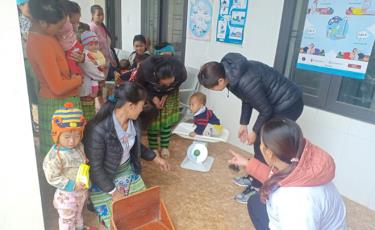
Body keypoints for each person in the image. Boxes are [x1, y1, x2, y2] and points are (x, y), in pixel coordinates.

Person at [198, 53, 303, 203]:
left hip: (289, 103)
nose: (213, 90)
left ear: (220, 80)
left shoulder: (243, 80)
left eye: (212, 88)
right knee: (260, 141)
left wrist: (254, 131)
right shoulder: (230, 74)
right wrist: (244, 124)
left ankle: (257, 187)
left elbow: (265, 109)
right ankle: (255, 175)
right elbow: (247, 99)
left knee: (264, 143)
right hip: (275, 104)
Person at [228, 118, 346, 230]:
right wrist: (247, 163)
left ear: (268, 154)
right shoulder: (301, 163)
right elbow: (276, 178)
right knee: (256, 202)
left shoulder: (293, 203)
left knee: (256, 204)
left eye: (261, 143)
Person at [83, 82, 170, 229]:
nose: (142, 109)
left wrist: (155, 158)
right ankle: (97, 205)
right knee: (119, 220)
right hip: (105, 177)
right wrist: (113, 192)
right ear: (131, 106)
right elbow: (95, 168)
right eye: (141, 105)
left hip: (126, 170)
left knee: (141, 212)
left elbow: (135, 145)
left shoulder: (133, 122)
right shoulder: (97, 129)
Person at [27, 0, 83, 155]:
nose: (61, 30)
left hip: (62, 102)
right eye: (58, 26)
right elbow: (57, 87)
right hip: (57, 104)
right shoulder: (41, 43)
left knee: (68, 154)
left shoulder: (45, 35)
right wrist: (78, 80)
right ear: (44, 23)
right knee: (61, 158)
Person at [43, 102, 95, 230]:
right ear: (56, 134)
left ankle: (79, 227)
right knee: (67, 220)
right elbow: (52, 176)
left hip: (81, 192)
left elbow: (82, 158)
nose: (72, 141)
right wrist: (72, 184)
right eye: (67, 137)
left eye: (77, 136)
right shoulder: (55, 155)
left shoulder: (79, 146)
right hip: (66, 196)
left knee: (78, 213)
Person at [135, 55, 187, 158]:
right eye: (165, 83)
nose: (167, 85)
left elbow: (177, 83)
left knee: (166, 122)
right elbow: (139, 85)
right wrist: (152, 97)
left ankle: (165, 147)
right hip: (149, 92)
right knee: (153, 121)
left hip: (170, 94)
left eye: (170, 82)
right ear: (157, 78)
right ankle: (153, 147)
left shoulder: (180, 71)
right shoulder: (145, 69)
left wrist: (167, 93)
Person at [17, 0, 39, 133]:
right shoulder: (23, 20)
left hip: (32, 60)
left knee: (34, 93)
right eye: (27, 5)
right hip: (27, 61)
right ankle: (32, 124)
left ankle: (34, 123)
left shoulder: (32, 19)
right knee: (30, 94)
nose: (31, 7)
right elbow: (29, 37)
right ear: (20, 6)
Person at [79, 31, 107, 121]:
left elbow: (101, 64)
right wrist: (102, 73)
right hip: (85, 88)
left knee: (90, 112)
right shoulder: (84, 55)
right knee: (86, 116)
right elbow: (98, 74)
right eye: (91, 44)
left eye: (96, 44)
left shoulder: (96, 53)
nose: (94, 46)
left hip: (89, 88)